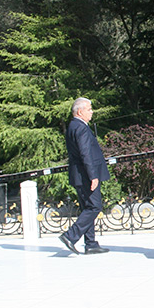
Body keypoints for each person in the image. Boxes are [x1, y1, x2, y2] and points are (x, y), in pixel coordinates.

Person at [60, 97, 110, 255]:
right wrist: (93, 176)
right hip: (85, 175)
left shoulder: (73, 126)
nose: (92, 112)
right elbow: (85, 154)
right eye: (89, 109)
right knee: (94, 207)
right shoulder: (80, 128)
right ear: (80, 112)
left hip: (79, 174)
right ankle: (70, 236)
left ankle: (91, 243)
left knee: (87, 208)